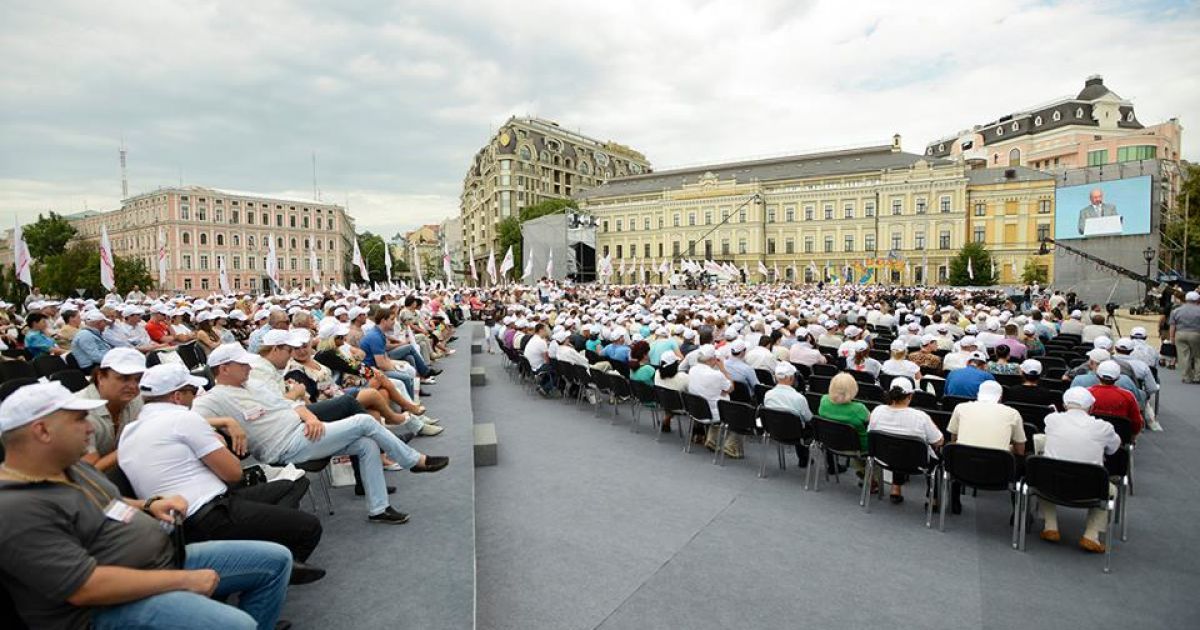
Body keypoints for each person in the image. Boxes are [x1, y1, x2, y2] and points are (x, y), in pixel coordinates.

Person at [0, 381, 292, 629]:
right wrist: (181, 581)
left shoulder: (67, 467)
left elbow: (105, 502)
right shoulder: (16, 508)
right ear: (42, 431)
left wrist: (149, 504)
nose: (90, 429)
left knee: (276, 560)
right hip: (103, 609)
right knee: (237, 625)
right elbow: (84, 587)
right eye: (78, 420)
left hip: (159, 561)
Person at [191, 343, 449, 524]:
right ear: (224, 369)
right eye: (241, 364)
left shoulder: (254, 384)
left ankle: (379, 509)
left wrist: (310, 415)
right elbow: (188, 419)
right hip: (284, 445)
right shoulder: (215, 398)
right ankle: (413, 461)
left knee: (365, 444)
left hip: (303, 432)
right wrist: (226, 421)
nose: (248, 367)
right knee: (363, 421)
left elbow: (292, 405)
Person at [119, 363, 326, 585]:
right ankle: (269, 571)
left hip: (180, 523)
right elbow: (233, 473)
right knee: (309, 527)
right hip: (210, 515)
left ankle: (266, 553)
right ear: (177, 396)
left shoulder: (128, 432)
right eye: (191, 392)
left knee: (289, 484)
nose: (195, 398)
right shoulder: (183, 419)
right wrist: (217, 443)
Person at [1038, 387, 1121, 553]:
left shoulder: (1052, 419)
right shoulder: (1104, 427)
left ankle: (1050, 525)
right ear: (1091, 408)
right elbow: (1113, 449)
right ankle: (1092, 535)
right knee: (1111, 490)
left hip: (1052, 484)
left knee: (1042, 474)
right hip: (1089, 487)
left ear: (1064, 404)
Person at [866, 377, 943, 504]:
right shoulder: (920, 417)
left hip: (884, 458)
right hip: (916, 463)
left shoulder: (877, 411)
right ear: (910, 395)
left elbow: (870, 432)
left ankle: (895, 489)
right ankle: (933, 500)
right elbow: (939, 441)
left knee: (896, 445)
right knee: (931, 457)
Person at [75, 347, 147, 472]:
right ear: (101, 377)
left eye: (138, 379)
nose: (133, 386)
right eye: (124, 378)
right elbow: (88, 472)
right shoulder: (78, 411)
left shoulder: (137, 399)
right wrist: (130, 446)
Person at [947, 381, 1026, 455]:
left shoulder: (960, 408)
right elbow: (1020, 451)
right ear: (1000, 397)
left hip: (962, 464)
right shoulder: (1013, 413)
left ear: (978, 394)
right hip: (998, 466)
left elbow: (953, 440)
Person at [686, 345, 737, 457]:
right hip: (713, 413)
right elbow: (730, 388)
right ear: (711, 359)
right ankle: (730, 448)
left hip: (696, 410)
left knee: (717, 402)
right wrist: (723, 369)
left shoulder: (692, 370)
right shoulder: (717, 375)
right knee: (736, 413)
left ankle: (712, 439)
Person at [762, 362, 812, 467]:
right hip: (796, 434)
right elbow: (809, 418)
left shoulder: (768, 394)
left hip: (774, 431)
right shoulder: (799, 398)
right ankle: (804, 458)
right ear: (790, 379)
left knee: (794, 421)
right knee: (804, 424)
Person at [1084, 360, 1144, 435]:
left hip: (1090, 434)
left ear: (1097, 375)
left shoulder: (1086, 393)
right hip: (1120, 436)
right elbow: (1136, 422)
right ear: (1118, 377)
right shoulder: (1128, 396)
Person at [817, 373, 870, 454]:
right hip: (857, 448)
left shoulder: (824, 400)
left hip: (829, 441)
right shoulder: (859, 408)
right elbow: (871, 421)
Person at [1168, 290, 1200, 383]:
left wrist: (1172, 337)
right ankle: (1198, 377)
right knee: (1198, 356)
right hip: (1196, 334)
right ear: (1197, 300)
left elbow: (1172, 325)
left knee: (1184, 356)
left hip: (1180, 334)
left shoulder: (1176, 310)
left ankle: (1187, 377)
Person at [653, 351, 688, 433]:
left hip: (662, 402)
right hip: (680, 406)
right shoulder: (683, 377)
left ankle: (667, 418)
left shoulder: (657, 373)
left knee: (669, 398)